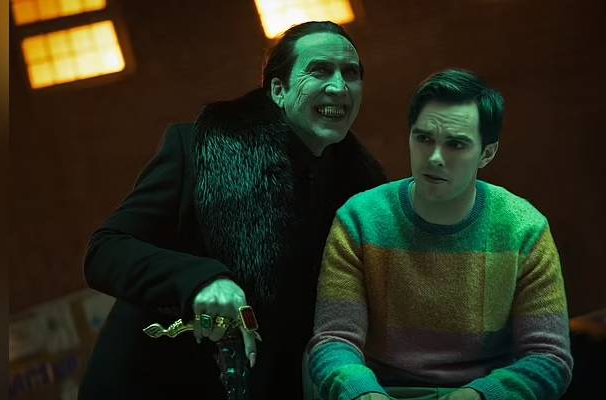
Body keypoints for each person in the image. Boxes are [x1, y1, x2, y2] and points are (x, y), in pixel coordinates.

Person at [78, 21, 386, 400]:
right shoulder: (197, 150)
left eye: (351, 74)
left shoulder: (362, 195)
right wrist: (200, 280)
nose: (339, 87)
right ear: (279, 90)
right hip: (154, 386)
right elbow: (105, 250)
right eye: (320, 71)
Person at [307, 69, 573, 400]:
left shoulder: (524, 229)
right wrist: (363, 394)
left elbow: (548, 357)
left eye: (455, 144)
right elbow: (334, 341)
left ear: (487, 153)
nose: (434, 157)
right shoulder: (360, 219)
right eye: (423, 139)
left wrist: (477, 396)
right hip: (383, 392)